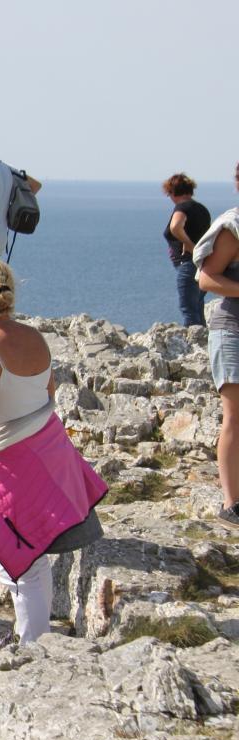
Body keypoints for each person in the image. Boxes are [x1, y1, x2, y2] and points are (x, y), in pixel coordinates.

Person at [0, 257, 105, 644]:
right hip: (50, 452)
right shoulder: (36, 337)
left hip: (14, 466)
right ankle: (32, 636)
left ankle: (33, 646)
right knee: (32, 553)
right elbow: (44, 395)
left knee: (21, 557)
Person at [196, 161, 239, 527]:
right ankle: (231, 503)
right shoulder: (233, 228)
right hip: (232, 331)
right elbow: (206, 279)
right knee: (235, 416)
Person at [162, 174, 212, 327]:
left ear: (173, 192)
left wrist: (188, 243)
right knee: (197, 307)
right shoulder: (202, 209)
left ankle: (194, 338)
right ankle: (203, 339)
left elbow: (175, 227)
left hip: (187, 264)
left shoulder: (182, 207)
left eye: (169, 193)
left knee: (188, 309)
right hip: (202, 265)